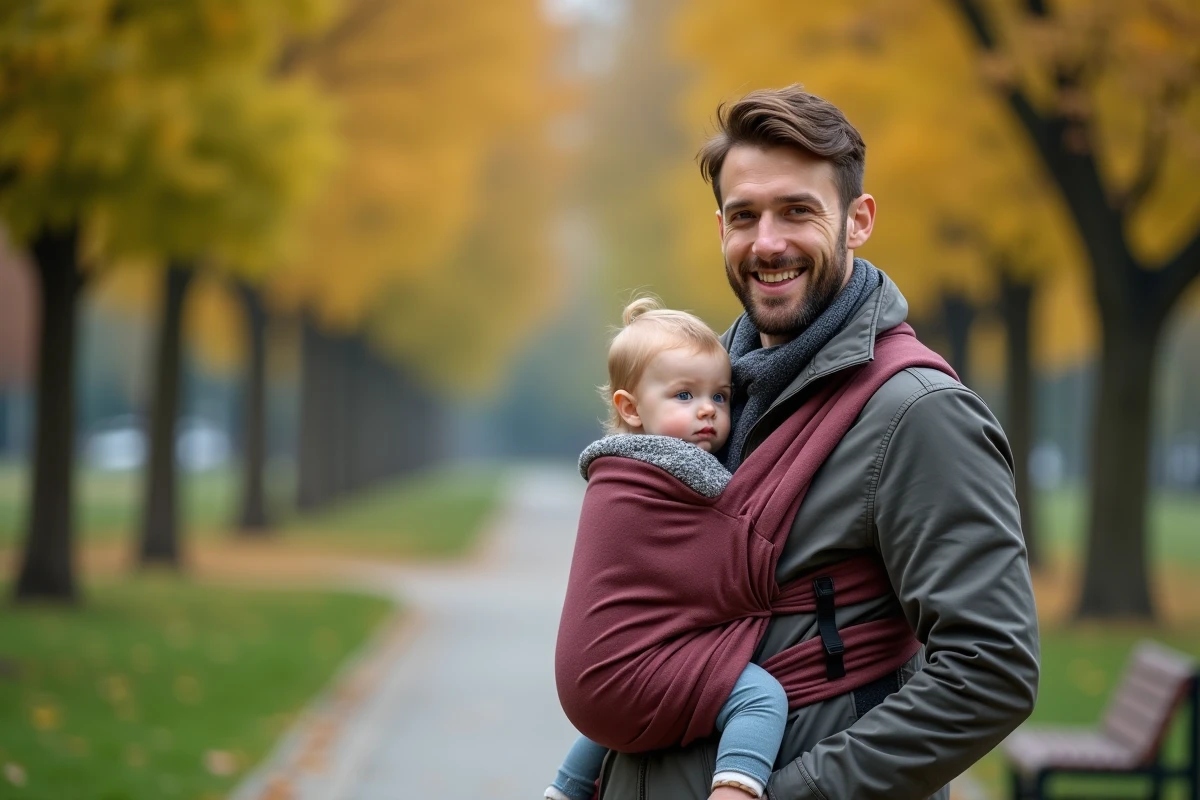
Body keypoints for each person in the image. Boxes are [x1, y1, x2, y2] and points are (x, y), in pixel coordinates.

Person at [591, 86, 1040, 800]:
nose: (767, 243)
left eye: (797, 210)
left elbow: (992, 670)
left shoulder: (917, 413)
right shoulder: (711, 404)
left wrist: (793, 793)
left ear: (857, 221)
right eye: (745, 217)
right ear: (721, 230)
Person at [546, 297, 789, 800]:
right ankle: (736, 789)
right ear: (630, 409)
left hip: (592, 680)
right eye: (684, 395)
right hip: (626, 669)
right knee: (762, 697)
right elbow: (741, 531)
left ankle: (565, 789)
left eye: (721, 397)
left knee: (616, 711)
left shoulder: (613, 467)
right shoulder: (684, 470)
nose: (707, 410)